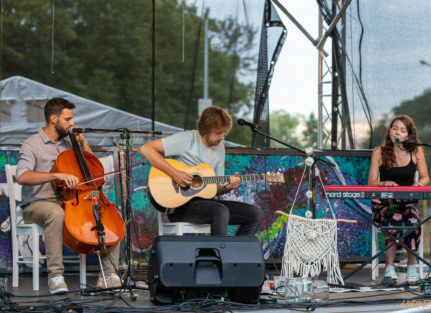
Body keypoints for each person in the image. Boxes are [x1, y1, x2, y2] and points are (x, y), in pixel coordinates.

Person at [16, 97, 121, 294]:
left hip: (69, 201)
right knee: (55, 214)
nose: (72, 123)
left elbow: (92, 169)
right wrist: (56, 174)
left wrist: (83, 143)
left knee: (109, 215)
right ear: (53, 118)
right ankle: (55, 276)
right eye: (68, 119)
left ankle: (108, 275)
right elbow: (22, 176)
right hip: (37, 204)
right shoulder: (32, 144)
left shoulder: (68, 145)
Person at [139, 106, 264, 236]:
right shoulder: (186, 139)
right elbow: (146, 149)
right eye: (218, 133)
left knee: (255, 214)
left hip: (206, 205)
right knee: (220, 211)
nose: (222, 137)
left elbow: (215, 188)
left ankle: (235, 255)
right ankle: (216, 255)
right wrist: (175, 173)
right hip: (179, 207)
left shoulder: (220, 148)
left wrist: (228, 187)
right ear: (205, 130)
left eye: (224, 133)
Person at [368, 115, 430, 284]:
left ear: (409, 135)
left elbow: (425, 178)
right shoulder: (379, 152)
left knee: (413, 221)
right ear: (389, 132)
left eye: (403, 130)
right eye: (395, 128)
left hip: (407, 202)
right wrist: (384, 183)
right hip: (385, 203)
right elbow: (371, 182)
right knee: (394, 219)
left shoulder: (416, 151)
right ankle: (389, 269)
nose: (398, 132)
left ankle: (412, 265)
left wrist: (419, 184)